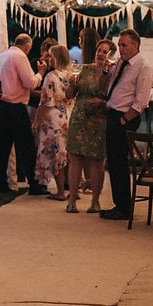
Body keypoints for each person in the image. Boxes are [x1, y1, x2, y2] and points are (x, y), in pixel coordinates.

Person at [100, 29, 153, 221]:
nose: (120, 48)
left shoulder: (143, 67)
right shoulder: (120, 63)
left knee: (120, 161)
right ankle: (119, 204)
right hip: (113, 114)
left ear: (135, 45)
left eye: (124, 45)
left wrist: (123, 120)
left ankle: (124, 207)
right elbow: (110, 85)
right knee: (114, 162)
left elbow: (141, 102)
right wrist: (106, 70)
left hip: (125, 117)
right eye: (119, 45)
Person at [0, 33, 50, 195]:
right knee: (27, 146)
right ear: (27, 47)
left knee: (3, 147)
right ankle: (33, 183)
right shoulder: (20, 56)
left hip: (2, 104)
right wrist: (40, 73)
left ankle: (0, 182)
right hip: (16, 106)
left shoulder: (1, 56)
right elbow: (30, 82)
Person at [66, 30, 111, 214]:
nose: (101, 54)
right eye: (99, 50)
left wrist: (103, 102)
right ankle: (71, 200)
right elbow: (69, 96)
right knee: (75, 158)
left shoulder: (112, 73)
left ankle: (95, 201)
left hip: (98, 119)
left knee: (96, 161)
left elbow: (115, 98)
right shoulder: (84, 69)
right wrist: (72, 85)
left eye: (105, 51)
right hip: (79, 118)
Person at [33, 44, 72, 202]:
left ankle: (60, 191)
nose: (48, 59)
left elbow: (44, 102)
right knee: (66, 155)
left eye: (50, 56)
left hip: (53, 119)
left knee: (56, 155)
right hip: (66, 117)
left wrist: (36, 121)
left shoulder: (51, 76)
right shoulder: (70, 75)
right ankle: (72, 190)